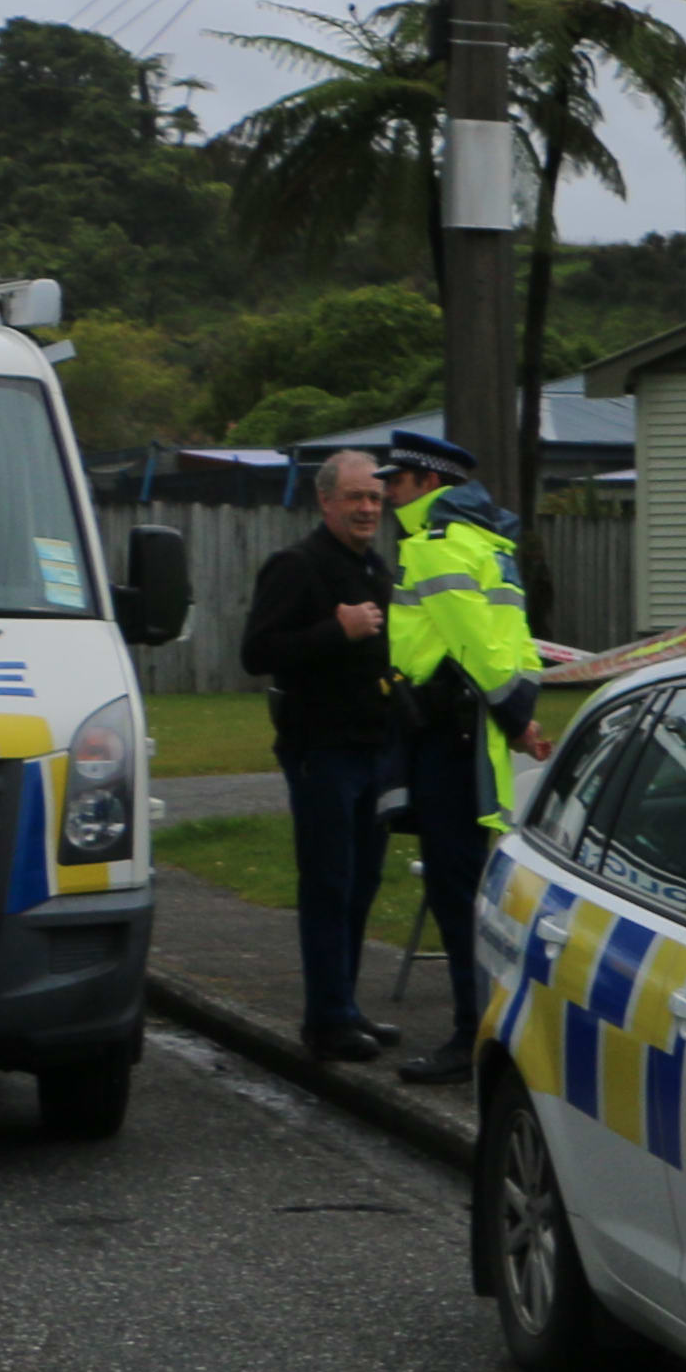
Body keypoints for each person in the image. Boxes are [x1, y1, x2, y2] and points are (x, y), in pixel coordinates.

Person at [377, 428, 550, 1086]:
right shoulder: (492, 545)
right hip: (475, 739)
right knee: (475, 888)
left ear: (428, 484)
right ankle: (486, 1024)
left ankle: (468, 1034)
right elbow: (520, 644)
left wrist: (508, 709)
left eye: (397, 481)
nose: (388, 491)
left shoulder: (435, 548)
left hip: (447, 743)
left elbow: (474, 644)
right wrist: (521, 713)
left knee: (456, 897)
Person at [240, 449, 407, 1062]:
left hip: (372, 751)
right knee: (329, 883)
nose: (368, 508)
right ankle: (326, 1019)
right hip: (323, 752)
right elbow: (257, 651)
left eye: (375, 498)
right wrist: (334, 631)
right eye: (356, 497)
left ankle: (347, 1006)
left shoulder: (375, 569)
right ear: (326, 501)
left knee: (361, 884)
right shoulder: (297, 566)